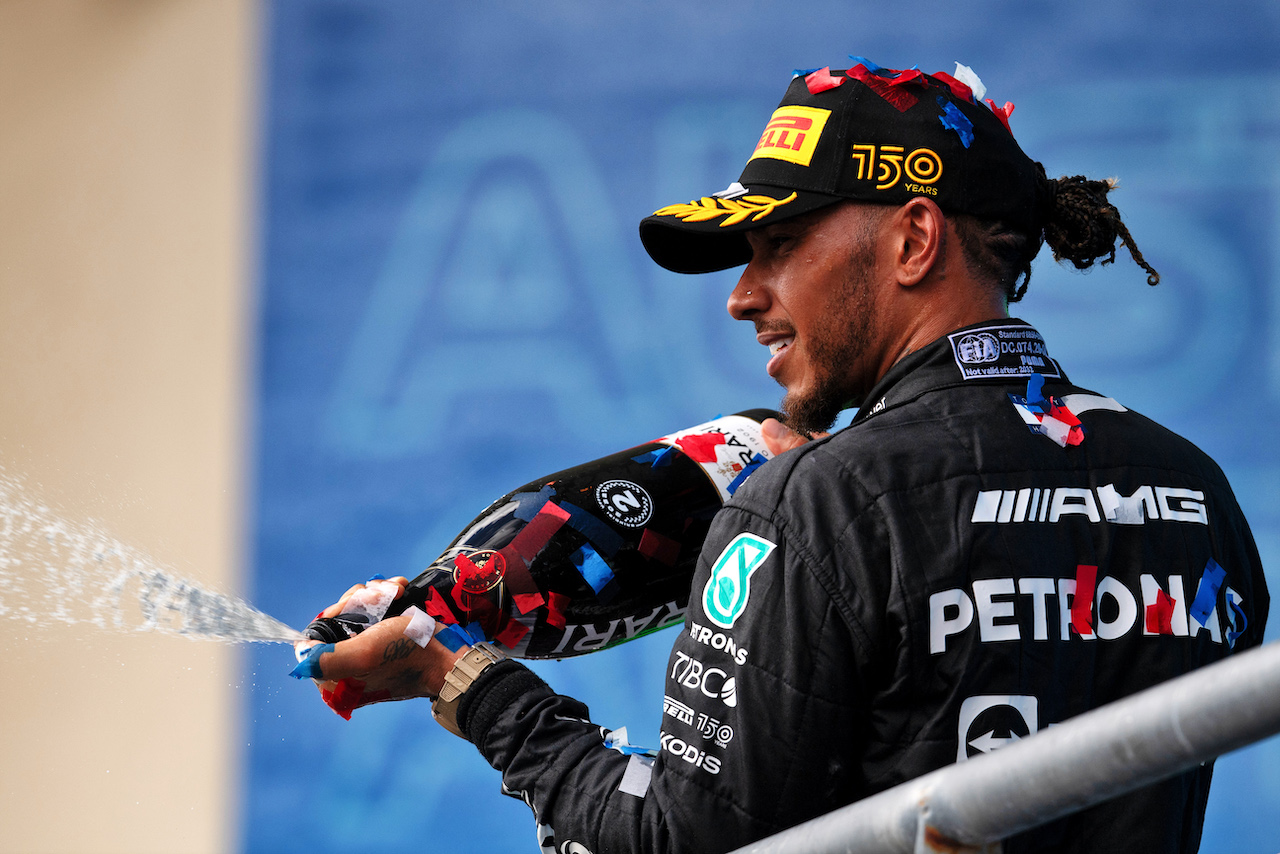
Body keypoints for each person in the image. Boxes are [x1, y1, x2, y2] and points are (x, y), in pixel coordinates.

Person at [293, 59, 1269, 853]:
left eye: (779, 243)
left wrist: (462, 678)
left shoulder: (813, 505)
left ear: (912, 237)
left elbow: (673, 843)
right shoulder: (1192, 491)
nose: (742, 293)